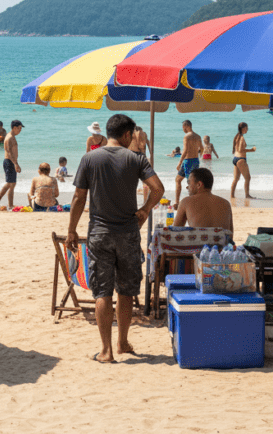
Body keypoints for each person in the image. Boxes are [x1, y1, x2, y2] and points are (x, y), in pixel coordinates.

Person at [66, 113, 165, 364]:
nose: (133, 138)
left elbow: (78, 198)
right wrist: (144, 210)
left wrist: (71, 230)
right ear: (125, 135)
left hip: (99, 233)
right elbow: (158, 189)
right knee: (126, 290)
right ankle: (122, 341)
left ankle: (106, 350)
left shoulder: (89, 158)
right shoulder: (136, 159)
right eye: (132, 135)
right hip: (128, 233)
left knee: (102, 291)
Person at [174, 167, 233, 233]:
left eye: (189, 183)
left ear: (199, 185)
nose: (187, 187)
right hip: (222, 243)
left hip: (198, 243)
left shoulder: (185, 202)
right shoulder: (226, 203)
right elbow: (230, 234)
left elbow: (175, 231)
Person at [0, 121, 24, 210]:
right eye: (19, 128)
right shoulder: (9, 137)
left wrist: (16, 163)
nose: (20, 130)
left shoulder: (12, 136)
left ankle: (10, 204)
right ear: (14, 128)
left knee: (12, 184)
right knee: (9, 183)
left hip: (12, 161)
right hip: (9, 161)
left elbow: (13, 152)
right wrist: (15, 164)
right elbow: (8, 152)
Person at [175, 120, 203, 204]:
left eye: (183, 127)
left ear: (186, 126)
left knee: (191, 184)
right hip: (195, 160)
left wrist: (179, 162)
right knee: (178, 179)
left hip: (187, 162)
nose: (183, 129)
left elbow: (185, 150)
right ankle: (177, 202)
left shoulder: (187, 136)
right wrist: (198, 155)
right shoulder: (198, 136)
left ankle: (193, 203)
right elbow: (202, 148)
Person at [230, 122, 256, 199]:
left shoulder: (236, 136)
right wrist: (251, 150)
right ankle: (247, 195)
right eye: (246, 128)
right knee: (248, 178)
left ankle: (232, 195)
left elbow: (236, 149)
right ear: (243, 128)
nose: (247, 130)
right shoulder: (241, 137)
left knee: (236, 179)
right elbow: (241, 149)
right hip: (241, 159)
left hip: (235, 158)